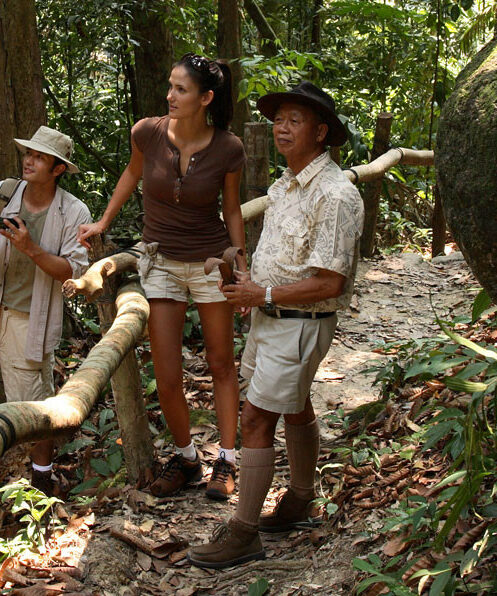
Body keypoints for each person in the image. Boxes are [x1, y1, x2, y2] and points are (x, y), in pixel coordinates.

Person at [187, 82, 364, 568]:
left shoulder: (335, 194)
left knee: (256, 418)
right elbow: (289, 259)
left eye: (294, 120)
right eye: (278, 119)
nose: (281, 128)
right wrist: (248, 282)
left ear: (321, 132)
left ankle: (243, 533)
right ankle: (301, 498)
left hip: (299, 323)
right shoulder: (286, 184)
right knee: (293, 403)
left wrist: (261, 293)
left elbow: (329, 282)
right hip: (273, 317)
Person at [77, 53, 247, 500]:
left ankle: (227, 462)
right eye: (170, 87)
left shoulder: (228, 147)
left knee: (221, 364)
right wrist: (103, 223)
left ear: (206, 98)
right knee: (167, 372)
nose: (170, 96)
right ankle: (188, 458)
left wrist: (240, 263)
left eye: (181, 90)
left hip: (210, 262)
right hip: (162, 262)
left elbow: (230, 209)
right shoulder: (147, 133)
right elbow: (132, 173)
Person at [0, 126, 91, 497]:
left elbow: (73, 270)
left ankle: (41, 480)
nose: (29, 161)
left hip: (28, 321)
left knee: (33, 408)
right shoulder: (3, 193)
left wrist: (31, 248)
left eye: (39, 157)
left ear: (58, 168)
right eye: (28, 153)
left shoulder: (73, 211)